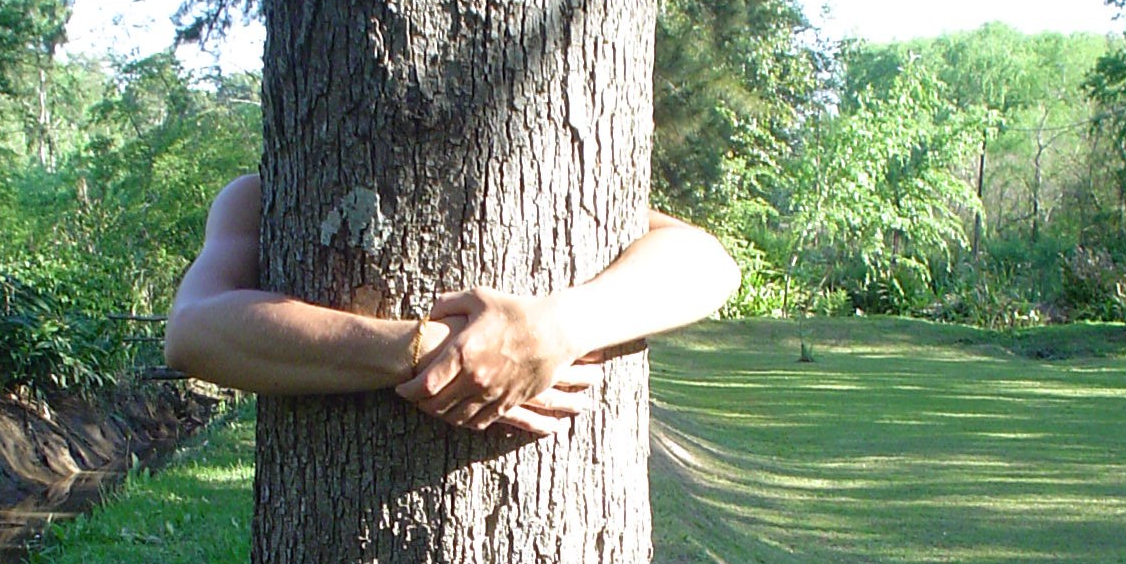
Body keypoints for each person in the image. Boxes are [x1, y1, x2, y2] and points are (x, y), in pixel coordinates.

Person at [164, 172, 740, 434]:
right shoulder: (260, 197)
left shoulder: (558, 180)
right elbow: (193, 333)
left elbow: (709, 264)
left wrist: (554, 329)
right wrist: (430, 350)